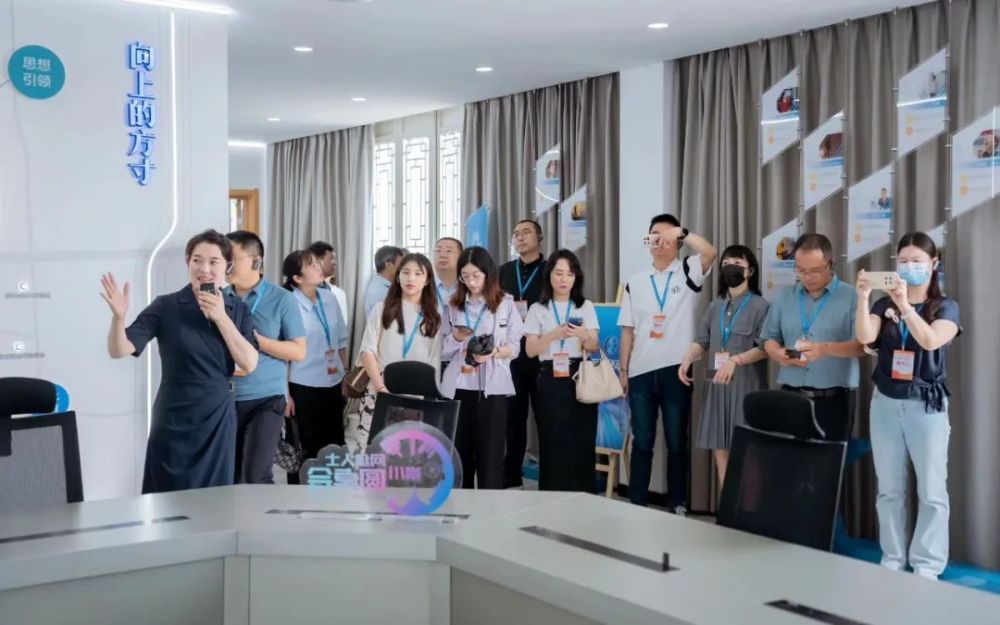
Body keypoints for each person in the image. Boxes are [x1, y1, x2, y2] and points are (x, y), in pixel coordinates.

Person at [100, 230, 258, 494]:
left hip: (217, 416)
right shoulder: (166, 306)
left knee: (215, 498)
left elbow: (249, 363)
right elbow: (119, 349)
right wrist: (118, 318)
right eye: (197, 260)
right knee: (167, 496)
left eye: (213, 262)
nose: (204, 269)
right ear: (188, 262)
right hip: (174, 416)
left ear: (227, 267)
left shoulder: (238, 309)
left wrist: (220, 317)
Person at [855, 232, 961, 580]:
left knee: (931, 491)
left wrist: (904, 308)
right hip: (885, 403)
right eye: (903, 261)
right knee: (889, 490)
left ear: (934, 263)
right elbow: (865, 337)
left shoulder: (946, 307)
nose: (909, 266)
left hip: (926, 407)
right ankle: (893, 558)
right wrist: (863, 299)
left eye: (917, 260)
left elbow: (930, 340)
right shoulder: (881, 304)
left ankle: (927, 565)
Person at [618, 214, 716, 515]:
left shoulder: (688, 270)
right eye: (653, 235)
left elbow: (710, 252)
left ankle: (677, 503)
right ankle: (637, 503)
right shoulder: (635, 282)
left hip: (677, 370)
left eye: (665, 236)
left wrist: (681, 232)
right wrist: (624, 371)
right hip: (640, 371)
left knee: (676, 441)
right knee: (642, 441)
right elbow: (627, 331)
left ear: (676, 241)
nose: (658, 241)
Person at [679, 245, 769, 489]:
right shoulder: (715, 307)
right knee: (720, 452)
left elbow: (765, 348)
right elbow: (702, 341)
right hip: (717, 387)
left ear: (750, 271)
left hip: (746, 389)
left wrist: (736, 360)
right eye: (727, 263)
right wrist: (688, 357)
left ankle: (748, 509)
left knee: (748, 452)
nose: (731, 267)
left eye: (738, 263)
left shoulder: (761, 306)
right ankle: (727, 506)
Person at [761, 233, 864, 442]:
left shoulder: (852, 297)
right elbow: (768, 338)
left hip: (834, 399)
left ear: (831, 264)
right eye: (801, 270)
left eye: (815, 270)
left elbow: (862, 346)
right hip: (791, 395)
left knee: (830, 460)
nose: (808, 277)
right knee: (790, 459)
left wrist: (825, 349)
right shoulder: (784, 296)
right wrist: (777, 353)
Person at [224, 231, 307, 484]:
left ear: (256, 262)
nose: (226, 265)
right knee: (230, 476)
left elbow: (298, 351)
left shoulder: (281, 299)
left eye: (232, 259)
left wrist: (258, 342)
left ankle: (263, 511)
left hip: (266, 398)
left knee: (256, 474)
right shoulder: (219, 298)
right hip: (226, 397)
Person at [440, 247, 523, 489]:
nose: (471, 282)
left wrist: (494, 352)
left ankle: (489, 507)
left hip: (493, 390)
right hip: (458, 388)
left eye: (476, 275)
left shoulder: (505, 304)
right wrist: (456, 338)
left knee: (491, 458)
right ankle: (461, 506)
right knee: (460, 457)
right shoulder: (452, 305)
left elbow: (515, 347)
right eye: (465, 276)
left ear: (488, 273)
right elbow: (441, 351)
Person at [524, 249, 600, 493]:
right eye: (558, 273)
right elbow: (530, 351)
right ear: (549, 276)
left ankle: (584, 496)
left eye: (570, 274)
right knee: (552, 438)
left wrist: (583, 334)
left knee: (582, 438)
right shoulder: (537, 309)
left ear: (576, 277)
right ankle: (552, 495)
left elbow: (594, 347)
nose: (564, 279)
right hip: (550, 376)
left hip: (580, 375)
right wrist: (553, 334)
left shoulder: (585, 306)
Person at [353, 253, 443, 450]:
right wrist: (380, 387)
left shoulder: (434, 318)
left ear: (427, 279)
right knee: (372, 451)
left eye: (418, 274)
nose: (411, 278)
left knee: (405, 456)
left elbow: (433, 361)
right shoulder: (382, 309)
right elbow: (367, 351)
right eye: (406, 272)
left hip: (415, 395)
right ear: (398, 276)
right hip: (379, 390)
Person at [282, 250, 350, 483]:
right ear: (297, 278)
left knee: (334, 443)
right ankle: (302, 495)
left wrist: (344, 375)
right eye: (311, 265)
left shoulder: (329, 298)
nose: (319, 267)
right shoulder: (288, 302)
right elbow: (282, 352)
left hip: (332, 381)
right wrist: (285, 394)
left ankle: (333, 493)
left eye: (317, 263)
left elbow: (341, 340)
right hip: (302, 385)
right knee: (305, 446)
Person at [499, 219, 546, 488]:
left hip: (542, 353)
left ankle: (550, 474)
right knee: (512, 418)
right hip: (512, 354)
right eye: (516, 234)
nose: (520, 237)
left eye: (526, 232)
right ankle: (511, 476)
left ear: (539, 238)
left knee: (544, 416)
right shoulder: (504, 271)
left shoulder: (551, 269)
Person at [434, 237, 464, 372]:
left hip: (462, 360)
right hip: (430, 359)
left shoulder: (470, 287)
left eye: (449, 251)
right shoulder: (422, 286)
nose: (442, 255)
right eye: (438, 250)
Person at [308, 241, 349, 327]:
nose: (335, 262)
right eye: (331, 259)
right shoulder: (301, 290)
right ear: (317, 260)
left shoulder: (338, 293)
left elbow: (342, 325)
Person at [363, 245, 405, 317]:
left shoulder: (381, 284)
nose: (403, 268)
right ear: (388, 265)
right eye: (400, 264)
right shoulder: (380, 291)